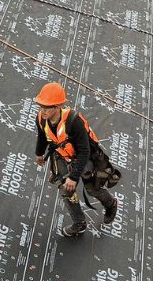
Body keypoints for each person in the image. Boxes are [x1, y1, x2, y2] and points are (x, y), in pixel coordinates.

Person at [33, 82, 118, 237]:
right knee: (66, 190)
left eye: (47, 107)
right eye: (41, 106)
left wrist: (73, 177)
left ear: (58, 106)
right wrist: (39, 154)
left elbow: (85, 151)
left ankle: (111, 204)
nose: (42, 110)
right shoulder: (41, 119)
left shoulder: (74, 122)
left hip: (84, 157)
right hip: (63, 154)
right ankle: (79, 223)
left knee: (92, 189)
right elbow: (42, 137)